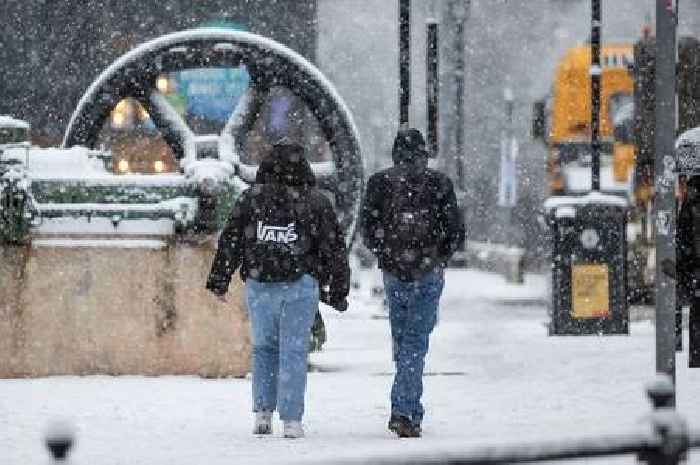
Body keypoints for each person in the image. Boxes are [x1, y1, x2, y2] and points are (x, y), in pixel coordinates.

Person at [206, 143, 350, 438]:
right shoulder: (317, 202)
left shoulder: (250, 199)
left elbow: (231, 240)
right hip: (300, 286)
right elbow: (334, 248)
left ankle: (262, 413)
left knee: (264, 349)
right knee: (294, 351)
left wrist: (220, 279)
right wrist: (338, 289)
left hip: (260, 286)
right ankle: (292, 420)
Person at [360, 128, 465, 438]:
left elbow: (368, 227)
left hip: (394, 272)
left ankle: (405, 404)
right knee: (416, 341)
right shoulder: (440, 183)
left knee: (404, 339)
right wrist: (437, 258)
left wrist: (386, 254)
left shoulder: (380, 182)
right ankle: (405, 410)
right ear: (424, 153)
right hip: (428, 272)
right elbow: (456, 231)